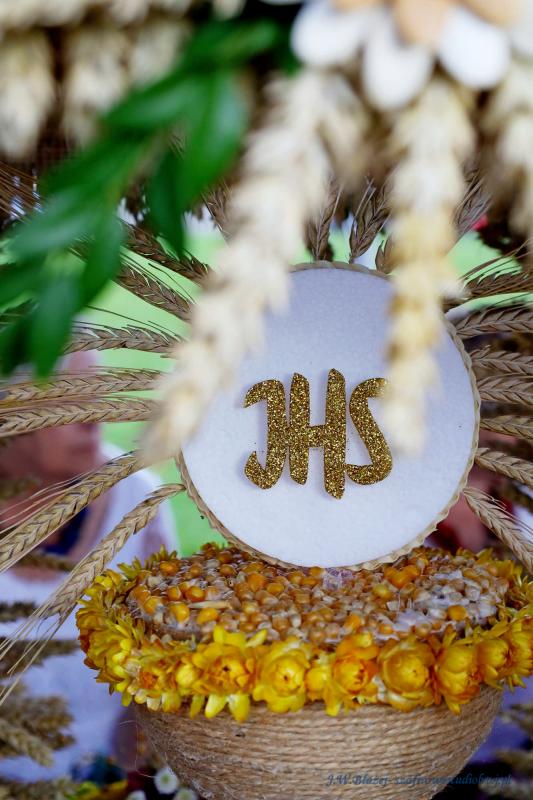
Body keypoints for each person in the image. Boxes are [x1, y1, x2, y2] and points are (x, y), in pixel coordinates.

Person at [0, 352, 177, 781]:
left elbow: (171, 662)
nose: (95, 417)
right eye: (68, 400)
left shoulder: (136, 500)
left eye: (97, 393)